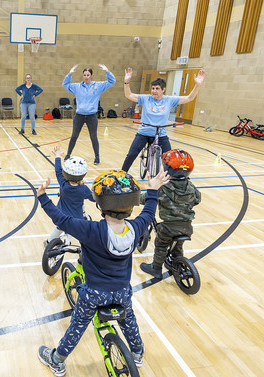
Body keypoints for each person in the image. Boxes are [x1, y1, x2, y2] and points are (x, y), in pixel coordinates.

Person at [36, 169, 170, 376]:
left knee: (78, 325)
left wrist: (43, 197)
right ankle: (137, 353)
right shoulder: (136, 228)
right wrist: (152, 190)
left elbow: (61, 220)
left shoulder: (91, 230)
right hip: (122, 291)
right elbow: (149, 212)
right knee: (129, 320)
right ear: (131, 205)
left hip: (94, 293)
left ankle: (57, 360)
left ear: (100, 205)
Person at [121, 68, 206, 172]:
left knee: (170, 158)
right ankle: (121, 175)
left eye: (157, 88)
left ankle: (170, 180)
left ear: (163, 89)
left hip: (161, 134)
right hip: (144, 132)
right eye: (153, 88)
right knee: (131, 154)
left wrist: (198, 85)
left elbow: (189, 98)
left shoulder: (169, 100)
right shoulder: (146, 98)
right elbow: (128, 95)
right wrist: (126, 82)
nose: (154, 91)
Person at [140, 149, 201, 278]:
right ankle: (177, 261)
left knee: (161, 245)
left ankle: (155, 268)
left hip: (168, 228)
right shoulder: (191, 187)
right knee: (177, 247)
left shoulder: (162, 187)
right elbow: (197, 199)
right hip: (186, 227)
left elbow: (145, 198)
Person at [62, 64, 115, 164]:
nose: (86, 77)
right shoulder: (77, 87)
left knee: (93, 137)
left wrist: (107, 71)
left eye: (88, 75)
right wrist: (69, 74)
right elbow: (65, 84)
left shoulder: (98, 86)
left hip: (91, 116)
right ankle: (68, 154)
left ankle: (97, 157)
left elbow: (112, 81)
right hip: (79, 116)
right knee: (74, 136)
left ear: (91, 76)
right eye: (84, 75)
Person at [44, 145, 95, 248]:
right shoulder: (83, 189)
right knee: (83, 232)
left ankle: (49, 242)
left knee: (59, 227)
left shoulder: (63, 184)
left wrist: (57, 156)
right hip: (76, 220)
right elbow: (94, 198)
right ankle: (86, 247)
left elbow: (58, 170)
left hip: (60, 216)